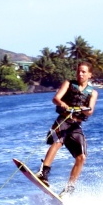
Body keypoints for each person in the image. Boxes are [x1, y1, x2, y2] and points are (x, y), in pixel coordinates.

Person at [36, 61, 98, 195]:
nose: (80, 74)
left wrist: (84, 110)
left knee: (81, 157)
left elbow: (90, 111)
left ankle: (69, 189)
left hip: (75, 125)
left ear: (89, 75)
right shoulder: (69, 84)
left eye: (83, 72)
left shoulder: (93, 93)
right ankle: (43, 173)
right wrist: (62, 103)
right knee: (57, 142)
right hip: (63, 120)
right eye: (78, 71)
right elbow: (56, 98)